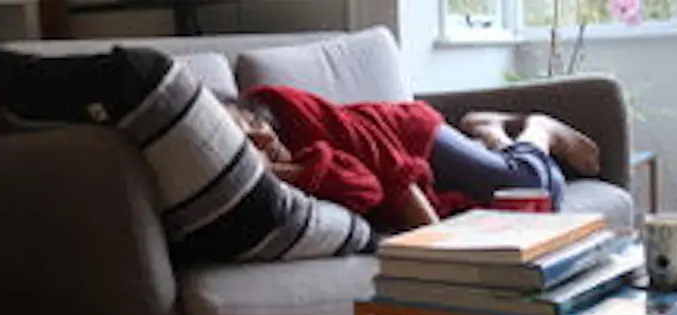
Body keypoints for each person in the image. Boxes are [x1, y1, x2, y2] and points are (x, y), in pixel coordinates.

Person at [225, 84, 600, 231]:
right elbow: (365, 190)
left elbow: (391, 173)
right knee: (544, 198)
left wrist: (442, 252)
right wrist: (280, 172)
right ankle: (491, 133)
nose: (261, 136)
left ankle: (540, 127)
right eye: (248, 144)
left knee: (527, 187)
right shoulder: (279, 176)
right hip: (408, 166)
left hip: (407, 135)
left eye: (254, 123)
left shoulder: (286, 107)